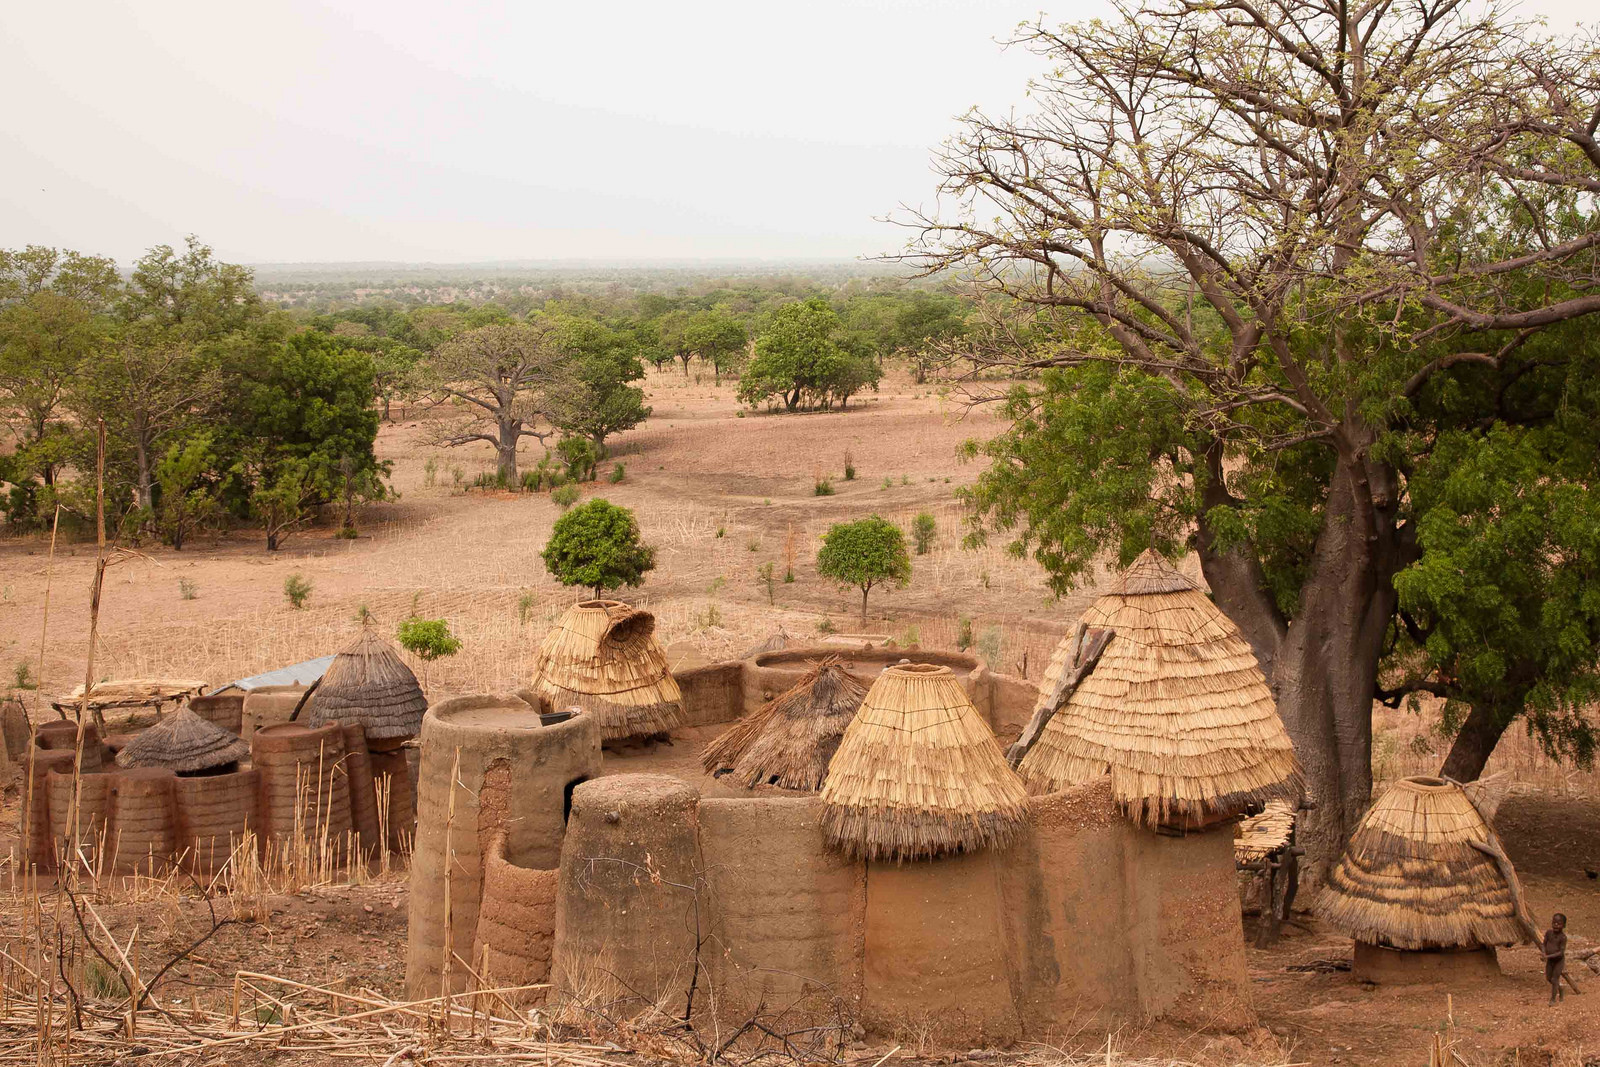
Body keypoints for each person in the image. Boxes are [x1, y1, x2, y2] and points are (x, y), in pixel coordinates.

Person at [1544, 913, 1568, 1005]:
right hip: (1550, 961)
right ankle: (1560, 988)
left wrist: (1547, 956)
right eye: (1554, 922)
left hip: (1559, 961)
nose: (1556, 925)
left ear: (1564, 925)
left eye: (1559, 923)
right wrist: (1543, 952)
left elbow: (1560, 953)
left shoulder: (1563, 937)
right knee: (1549, 978)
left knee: (1554, 979)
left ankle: (1553, 999)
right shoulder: (1548, 933)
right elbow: (1544, 943)